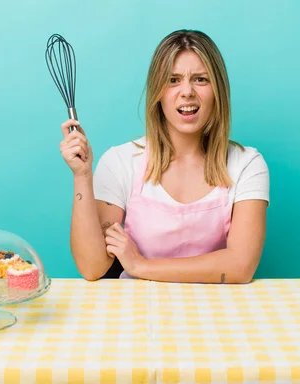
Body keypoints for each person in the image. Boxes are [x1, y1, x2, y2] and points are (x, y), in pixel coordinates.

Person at [58, 29, 269, 284]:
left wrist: (141, 265)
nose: (187, 91)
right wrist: (82, 176)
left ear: (218, 90)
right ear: (158, 92)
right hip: (135, 313)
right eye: (173, 80)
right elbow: (92, 267)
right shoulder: (120, 162)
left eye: (201, 79)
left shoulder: (247, 164)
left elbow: (240, 266)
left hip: (215, 313)